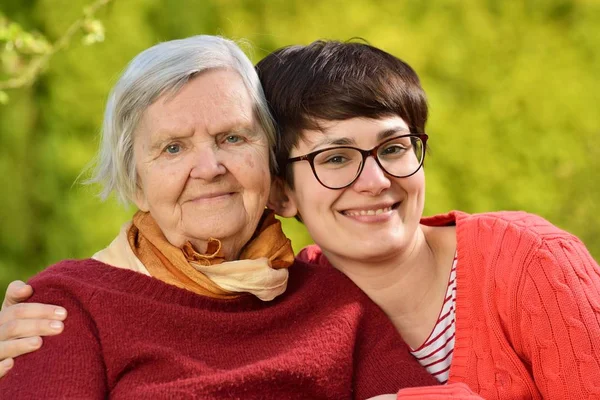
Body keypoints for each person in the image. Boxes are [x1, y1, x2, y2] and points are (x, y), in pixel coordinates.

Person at [5, 38, 597, 399]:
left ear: (264, 175)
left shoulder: (330, 301)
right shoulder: (64, 305)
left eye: (232, 137)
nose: (209, 166)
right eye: (173, 147)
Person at [255, 41, 600, 399]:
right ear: (281, 194)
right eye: (336, 159)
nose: (376, 182)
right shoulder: (286, 313)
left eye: (393, 148)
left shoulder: (535, 261)